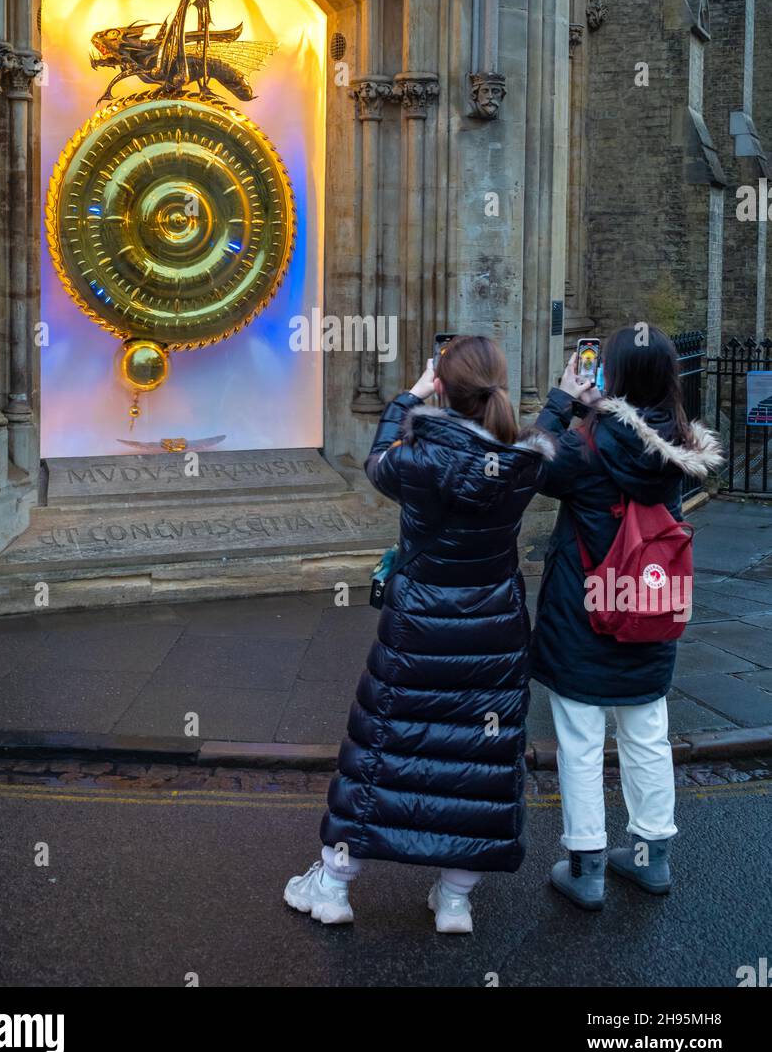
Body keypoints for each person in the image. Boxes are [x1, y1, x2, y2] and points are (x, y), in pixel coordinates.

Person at [284, 334, 554, 933]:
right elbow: (535, 437)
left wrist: (410, 396)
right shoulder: (527, 463)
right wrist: (563, 399)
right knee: (479, 762)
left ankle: (332, 886)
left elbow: (377, 459)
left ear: (444, 387)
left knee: (381, 749)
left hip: (418, 626)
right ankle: (455, 900)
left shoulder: (417, 459)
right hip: (493, 631)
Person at [531, 326, 724, 909]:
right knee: (647, 734)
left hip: (582, 614)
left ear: (609, 377)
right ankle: (650, 858)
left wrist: (564, 403)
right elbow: (636, 440)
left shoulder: (584, 447)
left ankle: (586, 867)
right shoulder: (683, 444)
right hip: (648, 607)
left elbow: (530, 466)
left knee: (581, 740)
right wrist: (605, 412)